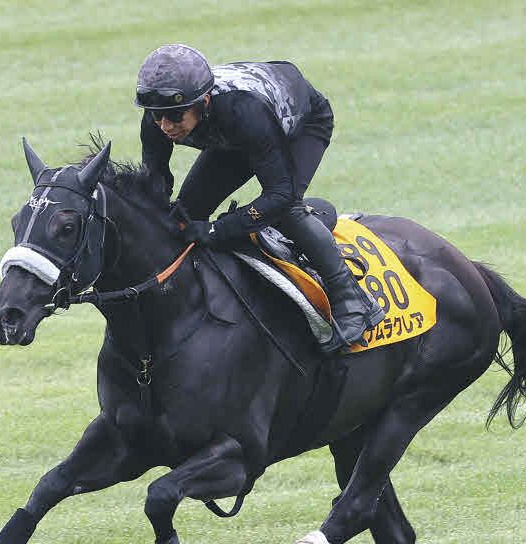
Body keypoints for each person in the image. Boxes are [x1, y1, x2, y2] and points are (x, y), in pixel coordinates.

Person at [134, 44, 385, 352]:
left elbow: (279, 195)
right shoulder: (158, 120)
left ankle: (353, 302)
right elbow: (155, 184)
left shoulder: (243, 111)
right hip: (232, 139)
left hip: (299, 124)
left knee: (287, 211)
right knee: (184, 216)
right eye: (158, 117)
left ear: (204, 101)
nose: (166, 127)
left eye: (175, 116)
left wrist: (217, 230)